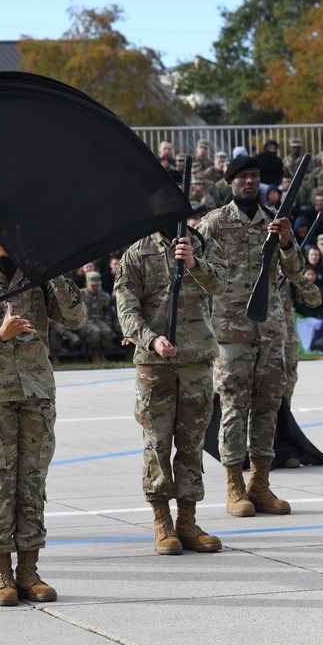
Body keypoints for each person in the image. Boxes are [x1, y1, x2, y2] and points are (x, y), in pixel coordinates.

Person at [0, 223, 86, 606]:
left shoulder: (41, 279)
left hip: (37, 394)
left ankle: (28, 570)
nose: (8, 237)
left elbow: (76, 318)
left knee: (32, 486)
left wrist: (53, 272)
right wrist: (0, 335)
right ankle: (0, 573)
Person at [196, 155, 304, 518]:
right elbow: (195, 274)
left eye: (254, 177)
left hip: (270, 331)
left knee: (268, 407)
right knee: (233, 409)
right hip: (230, 333)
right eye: (242, 177)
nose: (249, 182)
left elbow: (296, 270)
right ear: (230, 183)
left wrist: (287, 243)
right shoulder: (213, 223)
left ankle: (261, 484)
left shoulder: (275, 222)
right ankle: (234, 485)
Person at [115, 224, 228, 555]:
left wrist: (194, 264)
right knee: (157, 444)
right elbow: (126, 306)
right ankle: (162, 521)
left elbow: (221, 284)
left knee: (192, 442)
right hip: (155, 363)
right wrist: (150, 339)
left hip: (196, 358)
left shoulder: (203, 245)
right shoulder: (137, 252)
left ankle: (188, 521)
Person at [76, 271, 113, 363]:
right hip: (84, 322)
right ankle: (94, 355)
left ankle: (103, 355)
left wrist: (107, 323)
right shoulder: (80, 295)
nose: (95, 287)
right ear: (86, 284)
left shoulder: (103, 295)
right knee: (95, 332)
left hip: (98, 320)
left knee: (107, 331)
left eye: (97, 285)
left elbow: (107, 311)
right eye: (93, 285)